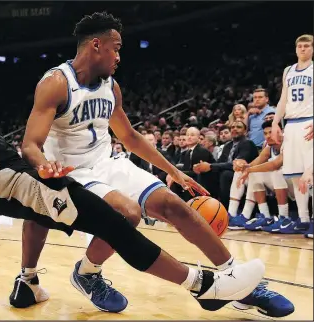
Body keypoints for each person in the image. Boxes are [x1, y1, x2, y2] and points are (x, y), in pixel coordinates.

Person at [0, 17, 271, 316]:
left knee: (106, 216)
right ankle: (206, 287)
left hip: (10, 176)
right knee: (115, 220)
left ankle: (28, 285)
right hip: (7, 178)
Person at [15, 12, 292, 317]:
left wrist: (174, 171)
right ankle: (87, 273)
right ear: (96, 45)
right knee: (126, 213)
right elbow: (30, 144)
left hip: (107, 163)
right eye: (115, 48)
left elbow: (130, 137)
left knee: (175, 206)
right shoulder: (56, 83)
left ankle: (241, 286)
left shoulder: (112, 87)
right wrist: (45, 166)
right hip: (73, 171)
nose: (119, 56)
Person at [271, 34, 313, 233]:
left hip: (309, 122)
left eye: (306, 46)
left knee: (311, 174)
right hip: (291, 124)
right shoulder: (288, 71)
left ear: (312, 49)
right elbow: (283, 100)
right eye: (300, 46)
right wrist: (275, 123)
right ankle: (303, 219)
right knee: (296, 176)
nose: (303, 49)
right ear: (296, 49)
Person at [234, 120, 292, 232]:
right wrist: (241, 165)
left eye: (271, 132)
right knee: (255, 174)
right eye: (265, 134)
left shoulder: (288, 143)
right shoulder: (269, 148)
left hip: (301, 184)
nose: (268, 136)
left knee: (277, 172)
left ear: (281, 131)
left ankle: (284, 217)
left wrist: (249, 169)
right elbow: (254, 164)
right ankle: (266, 216)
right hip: (283, 184)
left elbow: (275, 164)